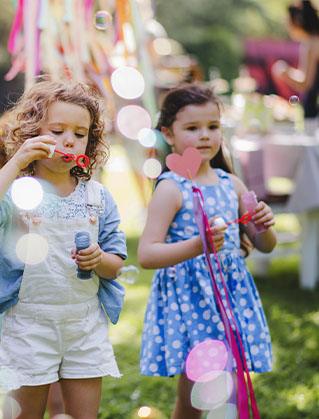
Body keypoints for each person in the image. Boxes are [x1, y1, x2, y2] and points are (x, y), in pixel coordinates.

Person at [0, 77, 127, 418]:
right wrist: (15, 163)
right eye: (57, 131)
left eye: (79, 133)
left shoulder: (98, 198)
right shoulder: (18, 193)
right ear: (31, 133)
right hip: (30, 326)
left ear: (90, 140)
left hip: (84, 326)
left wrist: (99, 260)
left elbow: (117, 265)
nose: (69, 139)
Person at [137, 83, 277, 419]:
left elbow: (264, 245)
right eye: (192, 128)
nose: (205, 136)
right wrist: (198, 245)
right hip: (192, 302)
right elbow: (146, 254)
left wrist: (265, 225)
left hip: (230, 299)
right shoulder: (172, 188)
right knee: (195, 398)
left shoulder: (232, 184)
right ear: (168, 135)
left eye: (213, 127)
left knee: (228, 392)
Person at [0, 116, 65, 416]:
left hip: (51, 302)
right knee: (27, 388)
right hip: (22, 303)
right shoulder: (11, 198)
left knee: (46, 385)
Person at [272, 0, 319, 118]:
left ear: (298, 21)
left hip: (313, 112)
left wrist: (284, 71)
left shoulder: (312, 43)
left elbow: (306, 83)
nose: (286, 26)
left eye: (288, 22)